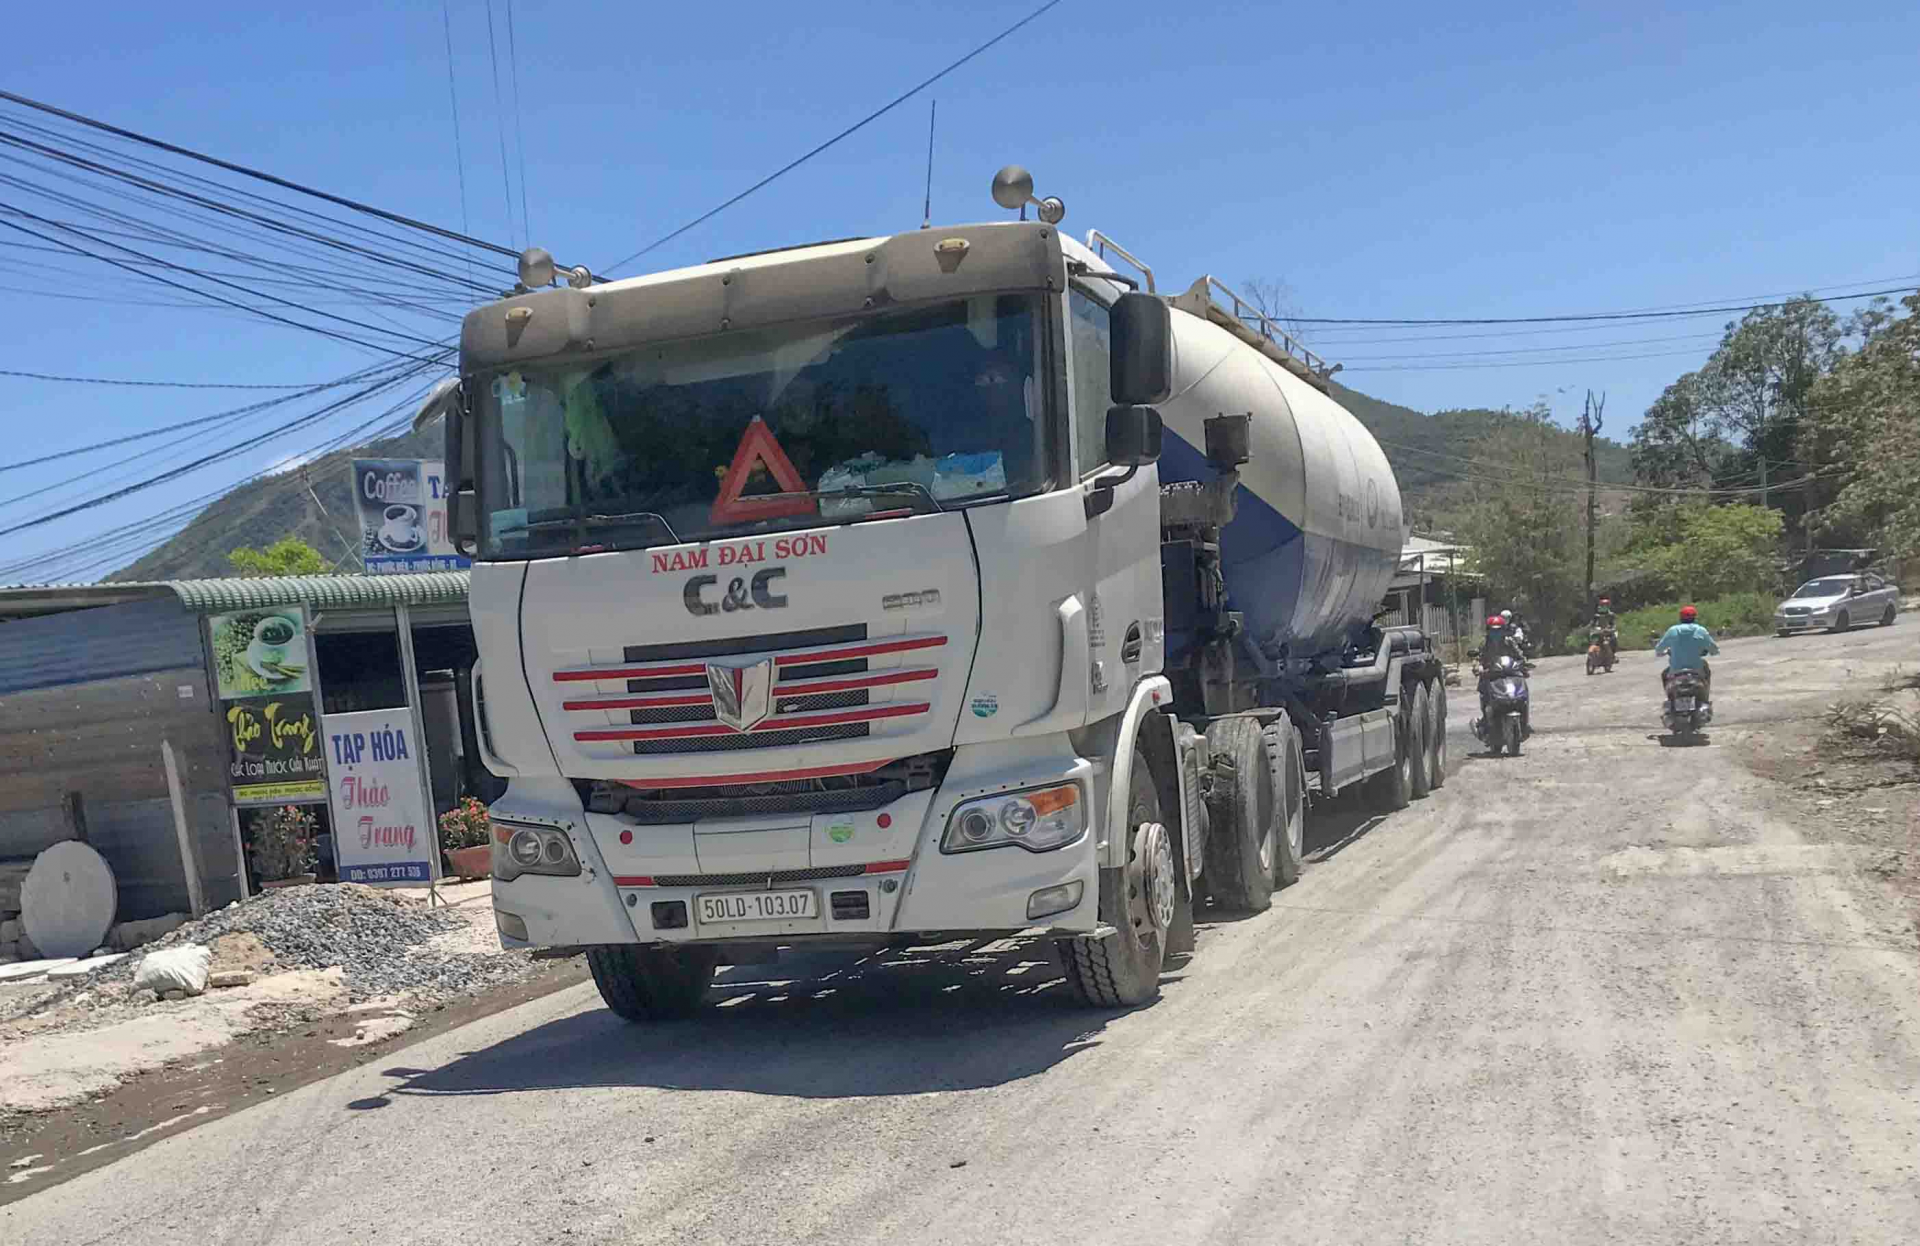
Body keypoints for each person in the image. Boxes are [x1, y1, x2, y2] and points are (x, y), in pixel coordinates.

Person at [1654, 604, 1719, 700]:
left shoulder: (1673, 630)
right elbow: (1714, 650)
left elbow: (1658, 649)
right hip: (1697, 671)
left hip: (1676, 671)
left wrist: (1666, 651)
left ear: (1680, 618)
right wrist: (1709, 651)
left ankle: (1671, 698)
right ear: (1694, 618)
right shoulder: (1700, 630)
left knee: (1664, 674)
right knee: (1706, 669)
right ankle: (1705, 698)